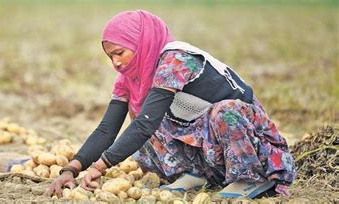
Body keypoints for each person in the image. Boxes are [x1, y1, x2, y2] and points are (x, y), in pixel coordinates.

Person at [46, 10, 296, 199]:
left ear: (139, 42)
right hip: (209, 149)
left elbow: (147, 123)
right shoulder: (129, 80)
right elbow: (107, 129)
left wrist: (101, 166)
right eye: (110, 56)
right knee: (144, 118)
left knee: (223, 112)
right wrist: (71, 169)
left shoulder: (175, 60)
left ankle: (250, 177)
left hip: (248, 141)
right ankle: (195, 174)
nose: (116, 63)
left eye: (119, 53)